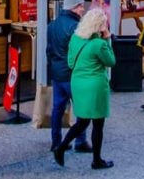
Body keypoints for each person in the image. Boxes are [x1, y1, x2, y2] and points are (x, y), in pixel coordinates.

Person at [52, 9, 115, 170]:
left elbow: (71, 62)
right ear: (100, 25)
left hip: (77, 83)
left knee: (83, 121)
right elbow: (111, 61)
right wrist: (107, 37)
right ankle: (97, 160)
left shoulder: (75, 38)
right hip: (95, 85)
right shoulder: (99, 44)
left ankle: (61, 147)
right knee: (98, 123)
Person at [45, 0, 90, 153]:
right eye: (80, 7)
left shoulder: (52, 24)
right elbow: (79, 52)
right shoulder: (76, 27)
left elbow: (48, 50)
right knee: (81, 108)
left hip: (57, 73)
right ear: (73, 7)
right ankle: (80, 140)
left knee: (58, 108)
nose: (82, 10)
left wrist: (53, 67)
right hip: (72, 74)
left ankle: (55, 141)